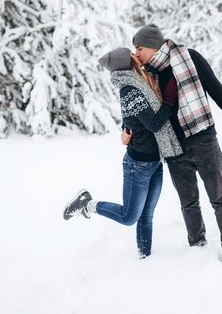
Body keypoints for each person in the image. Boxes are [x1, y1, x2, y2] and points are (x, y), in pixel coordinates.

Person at [125, 24, 222, 262]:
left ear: (153, 45)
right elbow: (136, 109)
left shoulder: (189, 58)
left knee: (219, 197)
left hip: (203, 139)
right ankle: (196, 245)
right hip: (174, 147)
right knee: (188, 202)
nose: (136, 53)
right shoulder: (147, 74)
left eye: (139, 47)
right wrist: (125, 130)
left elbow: (217, 90)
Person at [63, 47, 183, 259]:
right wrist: (170, 102)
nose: (137, 55)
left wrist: (125, 129)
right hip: (138, 164)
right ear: (127, 61)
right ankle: (87, 203)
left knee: (147, 215)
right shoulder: (129, 89)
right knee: (129, 217)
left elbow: (131, 120)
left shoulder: (141, 82)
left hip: (155, 161)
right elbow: (154, 124)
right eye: (131, 53)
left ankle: (143, 257)